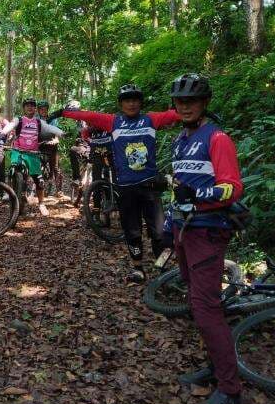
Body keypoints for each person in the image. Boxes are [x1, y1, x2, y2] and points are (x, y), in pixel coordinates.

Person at [165, 73, 244, 404]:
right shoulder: (180, 140)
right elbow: (179, 188)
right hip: (185, 230)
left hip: (208, 231)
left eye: (192, 101)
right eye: (180, 102)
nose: (185, 106)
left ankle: (230, 391)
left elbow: (232, 188)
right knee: (199, 302)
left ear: (204, 103)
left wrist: (199, 196)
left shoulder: (218, 137)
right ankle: (216, 365)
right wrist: (170, 220)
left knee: (205, 306)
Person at [51, 85, 181, 282]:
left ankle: (162, 268)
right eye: (127, 100)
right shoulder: (114, 121)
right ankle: (138, 268)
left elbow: (176, 114)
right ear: (121, 104)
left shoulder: (151, 119)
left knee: (159, 233)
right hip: (126, 187)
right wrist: (63, 112)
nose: (131, 103)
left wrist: (200, 112)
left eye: (135, 99)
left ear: (140, 102)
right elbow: (88, 115)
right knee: (132, 229)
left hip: (150, 186)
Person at [1, 97, 64, 216]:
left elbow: (50, 128)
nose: (30, 107)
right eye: (27, 105)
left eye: (32, 105)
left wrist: (61, 133)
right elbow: (11, 125)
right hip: (18, 151)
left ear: (35, 109)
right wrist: (3, 133)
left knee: (39, 181)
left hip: (33, 154)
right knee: (13, 171)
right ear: (24, 108)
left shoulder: (39, 122)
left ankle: (41, 203)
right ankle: (8, 193)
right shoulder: (19, 119)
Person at [37, 99, 64, 196]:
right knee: (35, 165)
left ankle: (59, 190)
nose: (43, 111)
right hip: (40, 145)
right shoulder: (37, 120)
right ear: (38, 110)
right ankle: (34, 187)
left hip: (52, 145)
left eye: (45, 109)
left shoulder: (53, 119)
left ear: (47, 110)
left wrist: (56, 139)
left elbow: (56, 130)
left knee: (56, 168)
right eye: (41, 109)